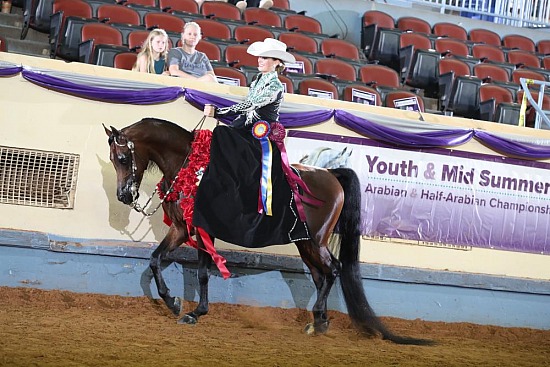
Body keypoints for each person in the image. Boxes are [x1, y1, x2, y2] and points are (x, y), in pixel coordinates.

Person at [193, 38, 311, 248]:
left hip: (261, 138)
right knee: (221, 135)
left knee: (222, 134)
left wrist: (219, 112)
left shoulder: (275, 85)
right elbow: (248, 111)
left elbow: (249, 104)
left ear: (276, 62)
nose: (259, 60)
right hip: (248, 130)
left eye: (264, 57)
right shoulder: (257, 80)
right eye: (260, 56)